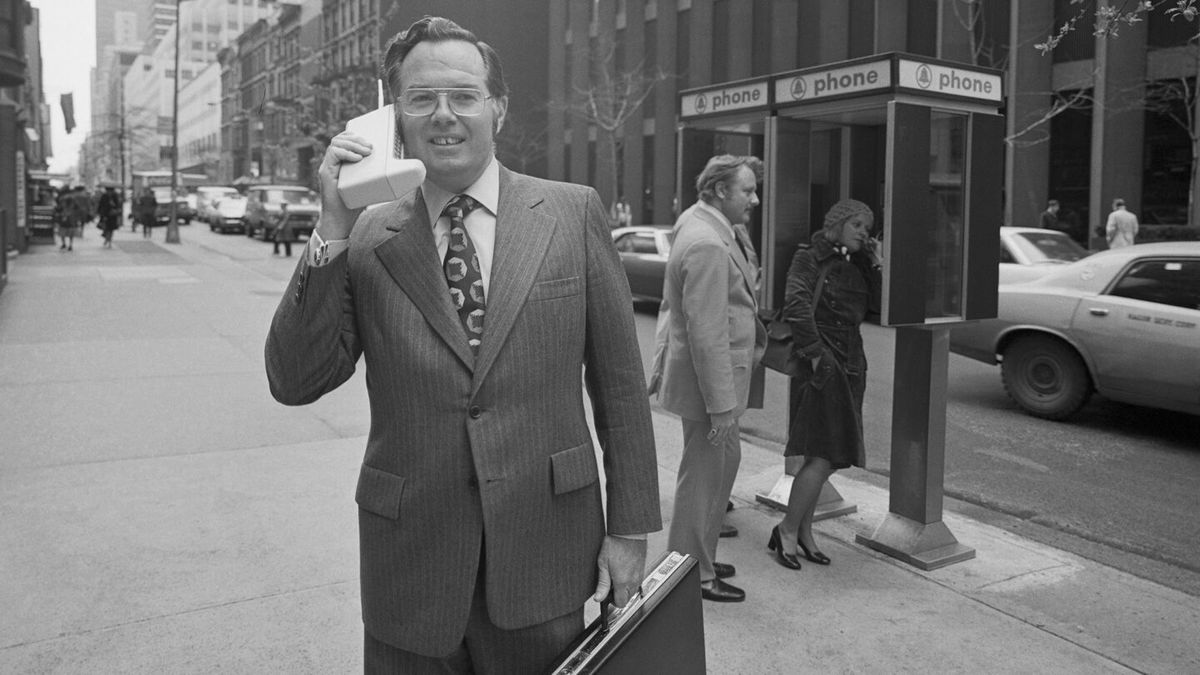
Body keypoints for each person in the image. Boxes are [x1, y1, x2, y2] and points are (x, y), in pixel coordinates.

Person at [264, 16, 660, 672]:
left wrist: (629, 527)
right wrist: (332, 222)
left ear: (497, 108)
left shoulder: (572, 213)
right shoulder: (364, 239)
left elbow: (619, 386)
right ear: (394, 117)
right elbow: (294, 377)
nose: (444, 114)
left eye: (464, 95)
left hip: (546, 554)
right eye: (421, 98)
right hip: (410, 569)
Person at [652, 154, 766, 603]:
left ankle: (700, 553)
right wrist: (720, 405)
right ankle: (691, 574)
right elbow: (706, 332)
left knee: (720, 471)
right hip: (712, 389)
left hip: (719, 384)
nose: (755, 199)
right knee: (701, 480)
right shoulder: (706, 242)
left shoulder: (704, 224)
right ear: (720, 190)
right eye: (748, 191)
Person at [771, 199, 882, 571]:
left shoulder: (858, 263)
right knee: (822, 454)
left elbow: (881, 309)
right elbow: (797, 304)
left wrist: (876, 261)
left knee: (832, 456)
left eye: (867, 228)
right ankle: (788, 530)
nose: (864, 233)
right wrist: (818, 357)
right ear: (838, 224)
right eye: (858, 226)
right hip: (824, 366)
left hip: (851, 365)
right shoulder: (809, 257)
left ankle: (801, 531)